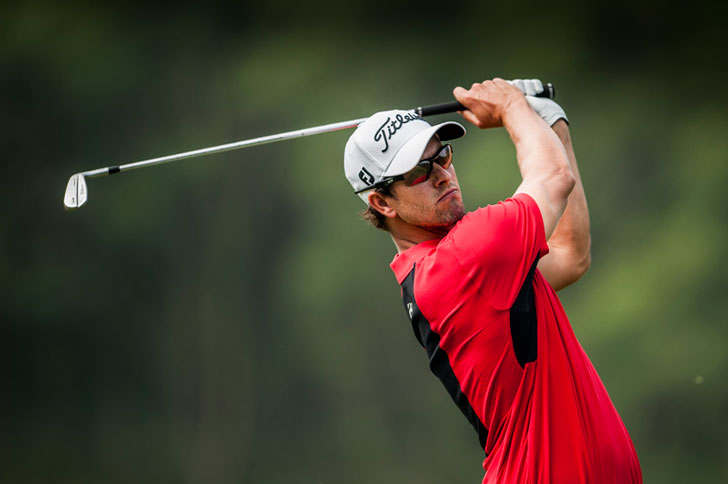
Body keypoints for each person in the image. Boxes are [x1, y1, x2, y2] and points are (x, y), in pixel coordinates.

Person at [343, 78, 642, 483]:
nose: (442, 176)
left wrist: (549, 121)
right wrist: (512, 105)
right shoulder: (460, 260)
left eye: (443, 156)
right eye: (418, 172)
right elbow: (554, 179)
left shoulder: (463, 268)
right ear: (381, 202)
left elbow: (570, 254)